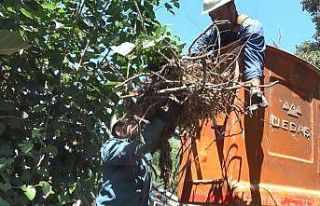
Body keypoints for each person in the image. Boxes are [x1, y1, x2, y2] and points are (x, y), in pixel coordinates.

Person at [96, 103, 181, 206]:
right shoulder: (110, 147)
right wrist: (160, 120)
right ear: (119, 130)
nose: (139, 125)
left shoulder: (143, 155)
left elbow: (151, 142)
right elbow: (133, 150)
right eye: (133, 123)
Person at [192, 0, 268, 111]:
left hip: (240, 78)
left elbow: (253, 56)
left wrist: (255, 87)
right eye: (212, 15)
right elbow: (194, 53)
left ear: (232, 6)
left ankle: (254, 90)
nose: (215, 19)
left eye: (219, 13)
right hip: (216, 87)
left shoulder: (250, 27)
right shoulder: (211, 34)